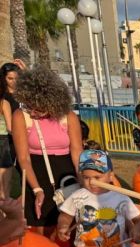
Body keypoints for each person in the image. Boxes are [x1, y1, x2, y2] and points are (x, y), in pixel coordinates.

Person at [11, 66, 82, 236]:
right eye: (30, 106)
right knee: (41, 225)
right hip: (35, 171)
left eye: (39, 108)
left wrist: (83, 182)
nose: (33, 112)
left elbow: (77, 152)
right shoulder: (21, 115)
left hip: (65, 172)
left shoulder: (69, 116)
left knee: (68, 223)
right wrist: (37, 189)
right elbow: (23, 158)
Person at [56, 150, 140, 247]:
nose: (91, 182)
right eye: (86, 177)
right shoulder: (77, 196)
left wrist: (137, 229)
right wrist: (63, 226)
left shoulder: (121, 198)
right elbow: (65, 216)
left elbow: (139, 220)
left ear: (111, 176)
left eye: (97, 177)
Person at [0, 62, 21, 199]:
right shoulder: (4, 97)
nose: (14, 82)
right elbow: (9, 126)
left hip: (15, 136)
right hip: (7, 137)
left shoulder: (22, 94)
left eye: (16, 78)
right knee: (5, 168)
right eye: (10, 78)